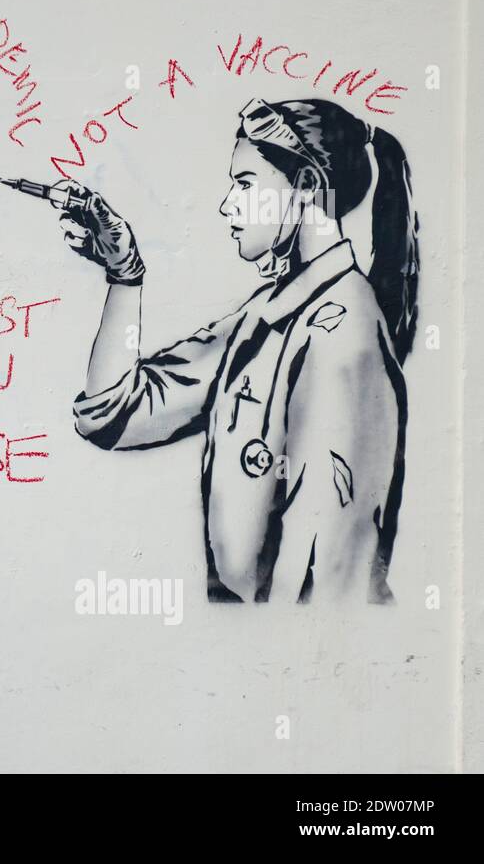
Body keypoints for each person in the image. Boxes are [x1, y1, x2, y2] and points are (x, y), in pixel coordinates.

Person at [59, 97, 418, 605]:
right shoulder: (264, 317)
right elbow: (113, 413)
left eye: (245, 183)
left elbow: (329, 591)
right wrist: (125, 274)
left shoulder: (344, 337)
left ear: (308, 187)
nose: (228, 204)